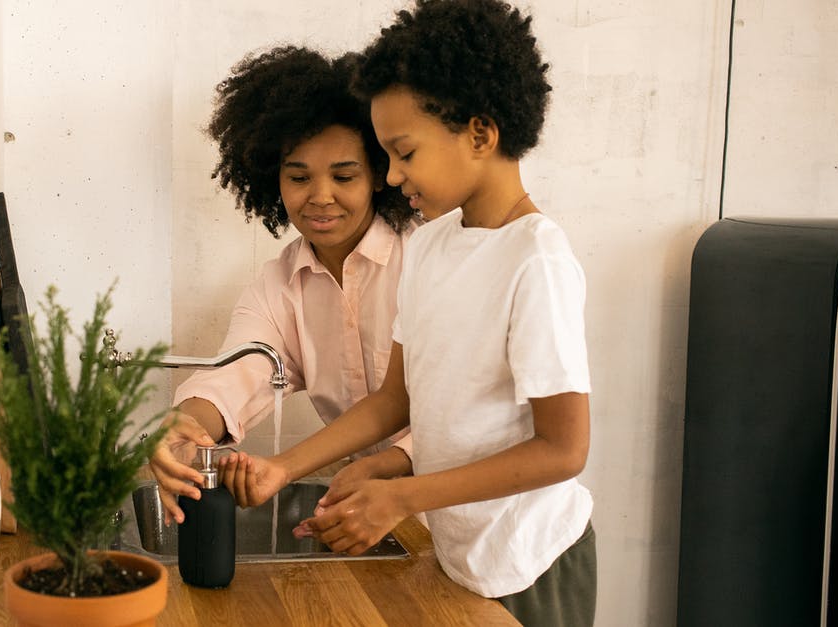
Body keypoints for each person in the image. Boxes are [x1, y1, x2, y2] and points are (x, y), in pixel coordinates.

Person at [219, 2, 596, 625]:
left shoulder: (538, 260)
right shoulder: (431, 247)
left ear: (480, 134)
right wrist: (282, 468)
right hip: (461, 554)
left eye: (403, 152)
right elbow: (396, 401)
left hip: (535, 562)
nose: (390, 175)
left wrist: (401, 496)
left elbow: (563, 450)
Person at [149, 45, 421, 526]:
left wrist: (388, 463)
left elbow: (471, 408)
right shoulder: (281, 286)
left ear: (380, 175)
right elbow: (238, 372)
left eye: (344, 175)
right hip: (377, 520)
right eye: (298, 176)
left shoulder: (423, 260)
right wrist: (185, 424)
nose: (320, 196)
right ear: (272, 179)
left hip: (496, 529)